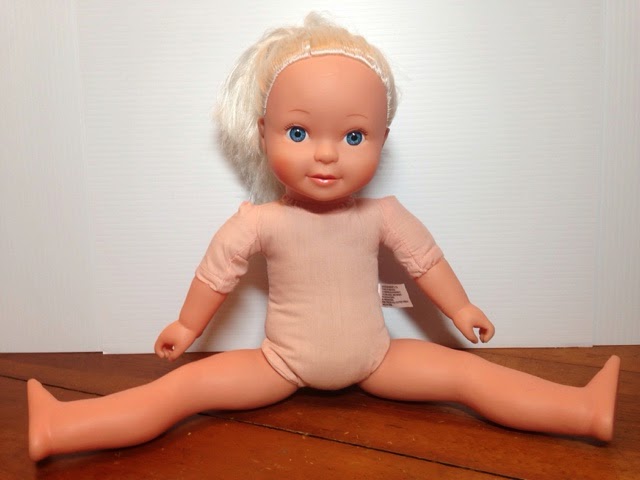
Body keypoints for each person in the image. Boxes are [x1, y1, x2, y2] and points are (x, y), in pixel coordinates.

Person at [27, 13, 620, 461]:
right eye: (299, 132)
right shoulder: (260, 222)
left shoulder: (382, 215)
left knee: (467, 375)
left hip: (378, 359)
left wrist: (460, 308)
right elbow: (217, 271)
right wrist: (188, 325)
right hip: (279, 364)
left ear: (383, 137)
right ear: (263, 132)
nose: (328, 154)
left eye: (354, 136)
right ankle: (60, 427)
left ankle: (583, 410)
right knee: (184, 390)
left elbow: (425, 261)